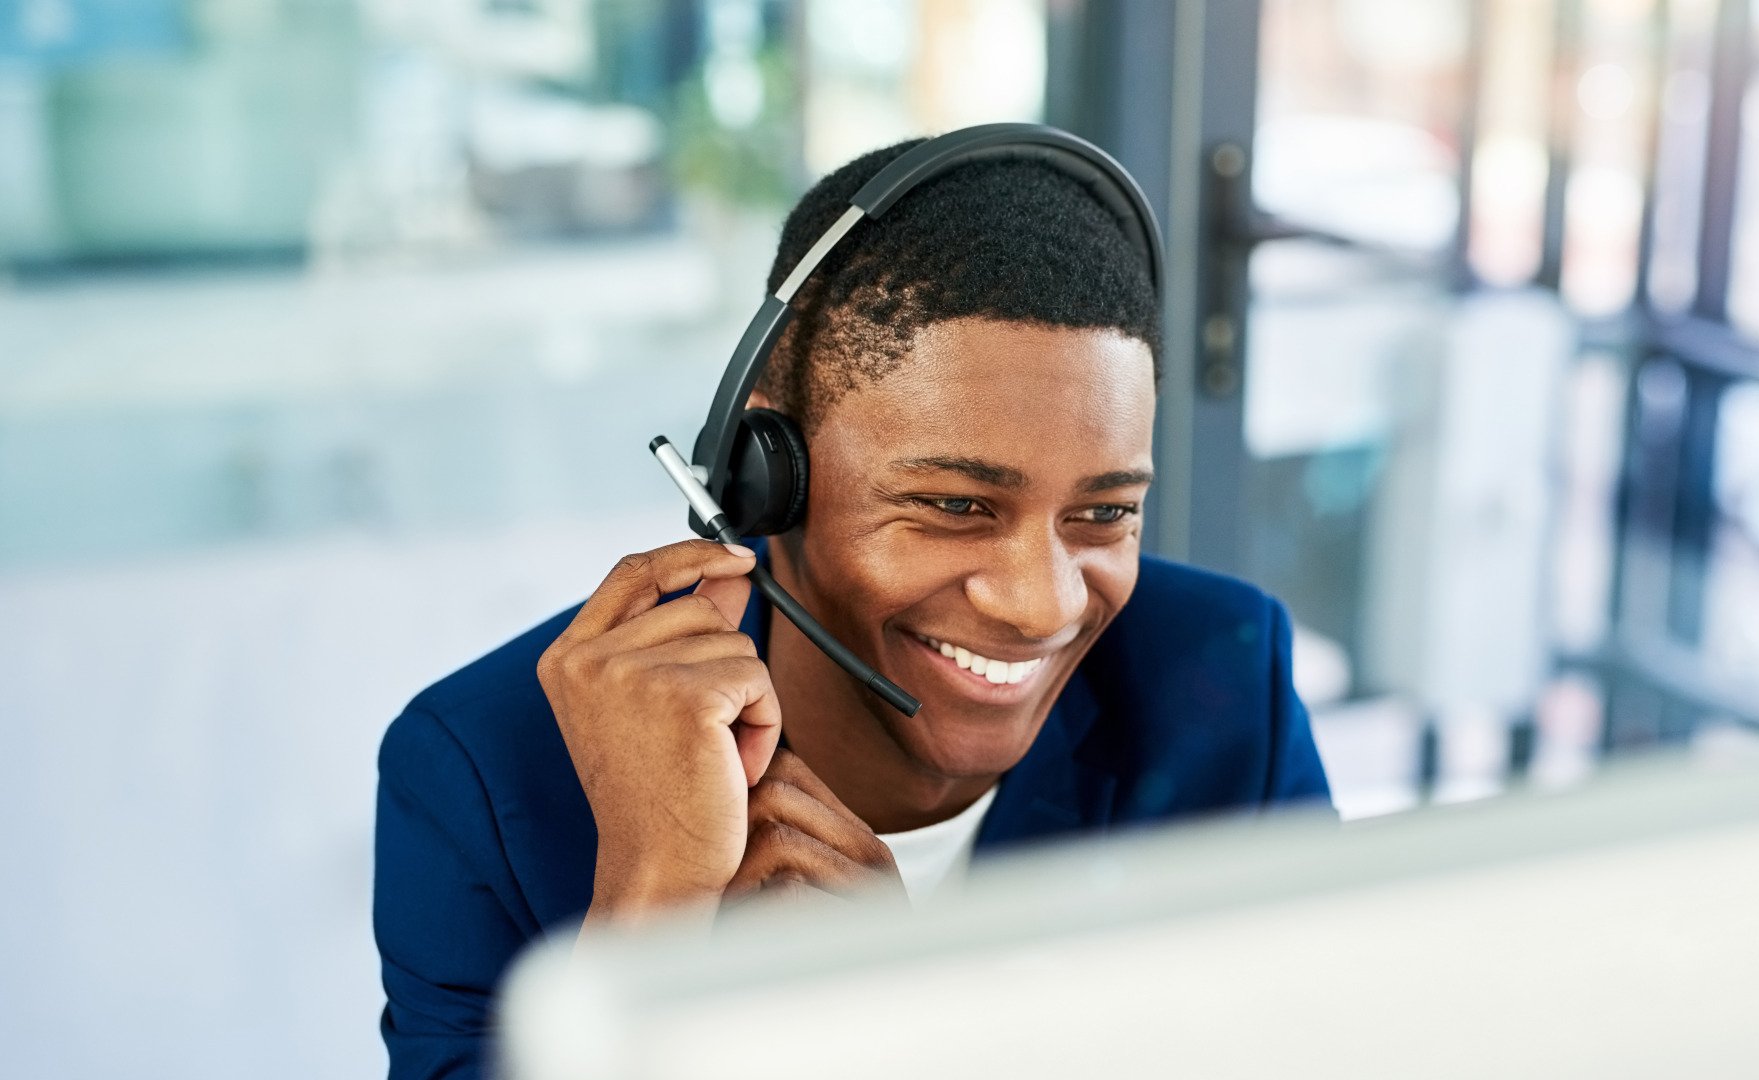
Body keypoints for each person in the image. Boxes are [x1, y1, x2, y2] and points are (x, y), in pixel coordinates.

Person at [372, 136, 1331, 1078]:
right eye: (956, 506)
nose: (1042, 603)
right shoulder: (487, 771)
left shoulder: (1221, 680)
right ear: (765, 484)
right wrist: (651, 921)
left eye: (1103, 513)